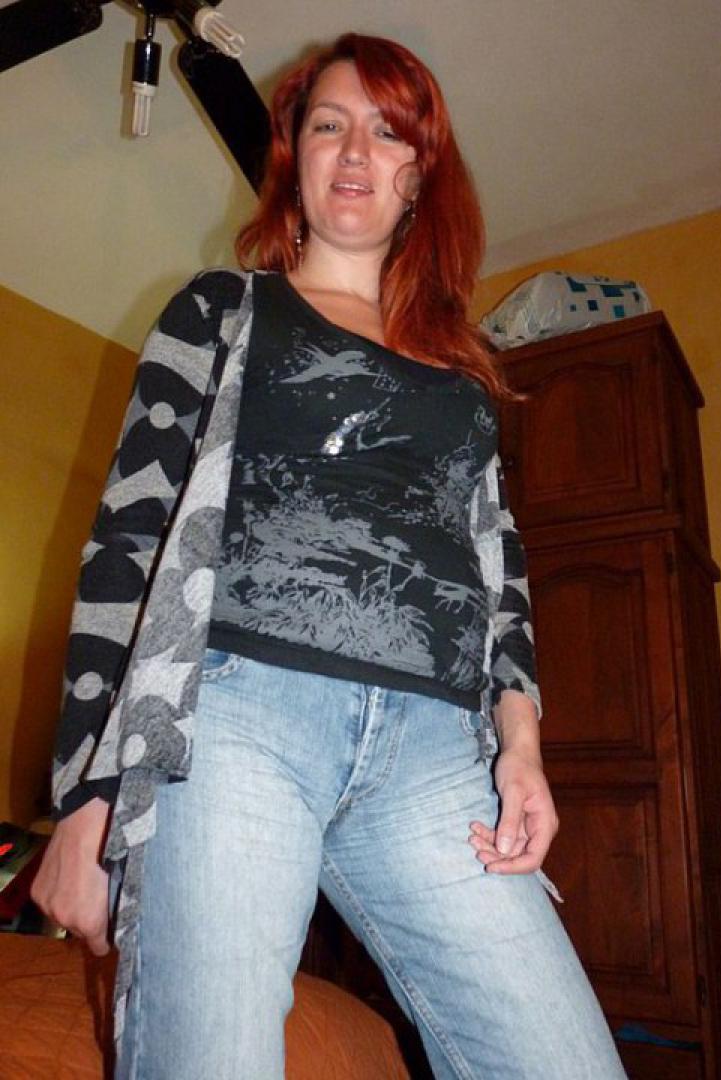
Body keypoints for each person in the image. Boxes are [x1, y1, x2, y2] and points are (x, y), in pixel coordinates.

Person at [32, 32, 627, 1080]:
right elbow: (127, 541)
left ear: (420, 177)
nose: (356, 151)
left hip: (437, 756)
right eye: (329, 124)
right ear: (294, 157)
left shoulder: (465, 371)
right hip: (235, 721)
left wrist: (521, 743)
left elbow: (497, 565)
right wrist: (86, 799)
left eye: (389, 133)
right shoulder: (219, 310)